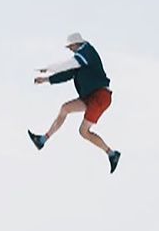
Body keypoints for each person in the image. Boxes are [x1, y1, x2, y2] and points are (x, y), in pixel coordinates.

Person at [29, 32, 121, 174]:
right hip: (89, 97)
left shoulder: (87, 51)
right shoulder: (79, 60)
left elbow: (68, 64)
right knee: (65, 108)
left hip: (100, 96)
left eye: (71, 47)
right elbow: (67, 73)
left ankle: (112, 154)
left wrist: (48, 67)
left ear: (76, 44)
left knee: (83, 132)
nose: (70, 50)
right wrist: (46, 79)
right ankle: (42, 140)